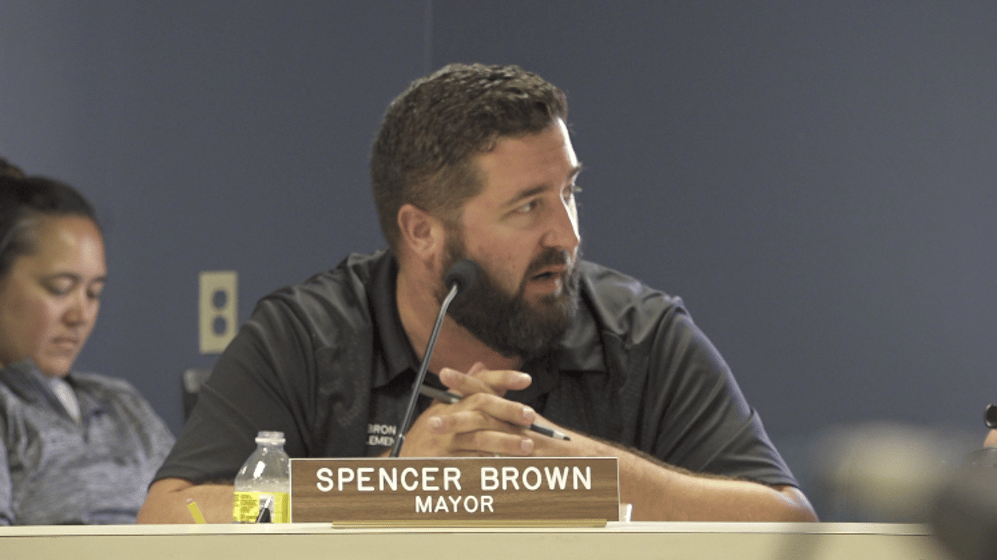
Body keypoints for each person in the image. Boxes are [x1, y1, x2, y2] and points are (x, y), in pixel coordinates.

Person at [138, 63, 817, 523]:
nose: (567, 234)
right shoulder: (306, 334)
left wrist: (593, 477)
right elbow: (171, 513)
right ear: (422, 232)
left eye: (569, 192)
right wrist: (383, 488)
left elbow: (786, 523)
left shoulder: (641, 331)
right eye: (527, 207)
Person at [0, 157, 175, 524]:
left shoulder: (122, 403)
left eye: (94, 293)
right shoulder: (10, 416)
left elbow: (192, 519)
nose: (80, 315)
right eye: (60, 289)